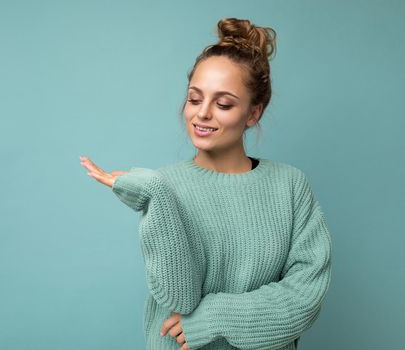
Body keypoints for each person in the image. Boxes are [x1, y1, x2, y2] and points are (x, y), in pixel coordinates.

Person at [80, 17, 332, 350]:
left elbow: (304, 297)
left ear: (253, 113)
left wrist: (215, 316)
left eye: (223, 103)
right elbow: (177, 298)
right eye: (195, 99)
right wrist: (155, 194)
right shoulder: (166, 186)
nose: (202, 113)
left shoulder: (290, 186)